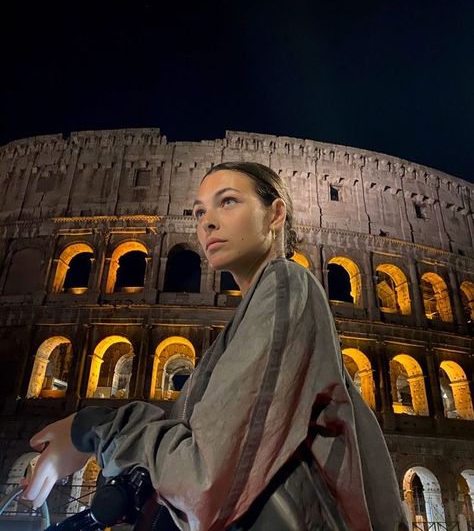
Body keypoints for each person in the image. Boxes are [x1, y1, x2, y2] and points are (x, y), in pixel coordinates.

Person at [22, 162, 408, 531]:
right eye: (198, 211)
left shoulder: (287, 284)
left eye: (228, 202)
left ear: (275, 215)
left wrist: (94, 428)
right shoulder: (250, 317)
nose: (207, 221)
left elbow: (203, 476)